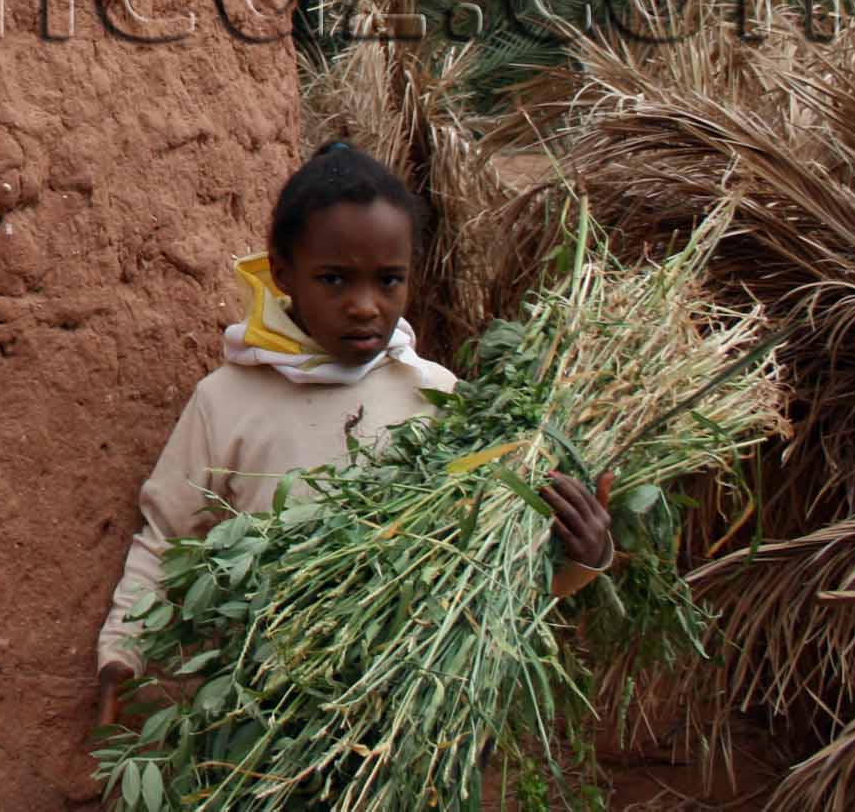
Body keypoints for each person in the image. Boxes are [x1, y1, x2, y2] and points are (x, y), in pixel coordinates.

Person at [94, 140, 616, 726]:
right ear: (284, 272)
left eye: (389, 280)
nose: (366, 306)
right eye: (335, 280)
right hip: (266, 715)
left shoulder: (438, 396)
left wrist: (584, 558)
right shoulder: (227, 400)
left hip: (407, 717)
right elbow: (167, 537)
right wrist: (123, 652)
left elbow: (494, 571)